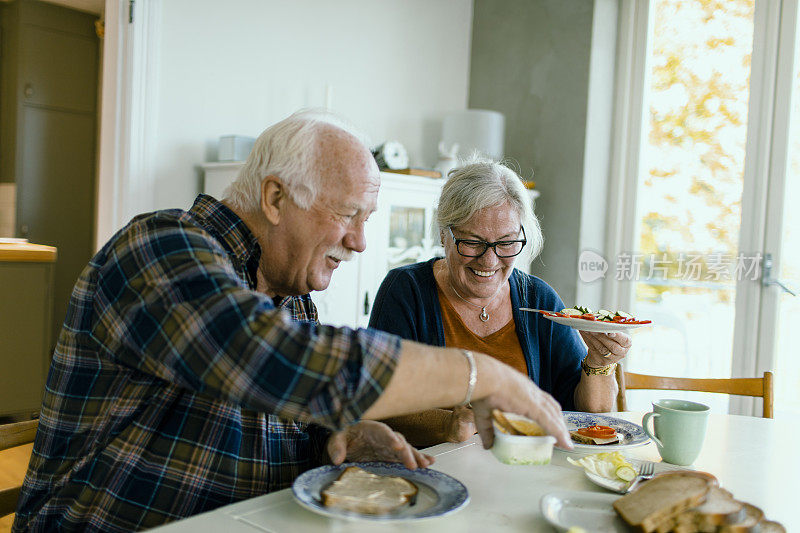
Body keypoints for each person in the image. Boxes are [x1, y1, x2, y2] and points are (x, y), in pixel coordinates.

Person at [13, 111, 572, 532]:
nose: (358, 242)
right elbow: (268, 358)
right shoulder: (160, 246)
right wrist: (483, 374)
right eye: (348, 214)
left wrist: (345, 433)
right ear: (276, 197)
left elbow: (294, 410)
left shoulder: (290, 293)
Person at [369, 157, 631, 447]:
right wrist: (449, 424)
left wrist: (598, 363)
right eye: (473, 242)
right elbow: (378, 404)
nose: (490, 260)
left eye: (506, 242)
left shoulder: (539, 298)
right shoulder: (406, 291)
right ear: (445, 234)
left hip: (525, 472)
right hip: (435, 477)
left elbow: (587, 418)